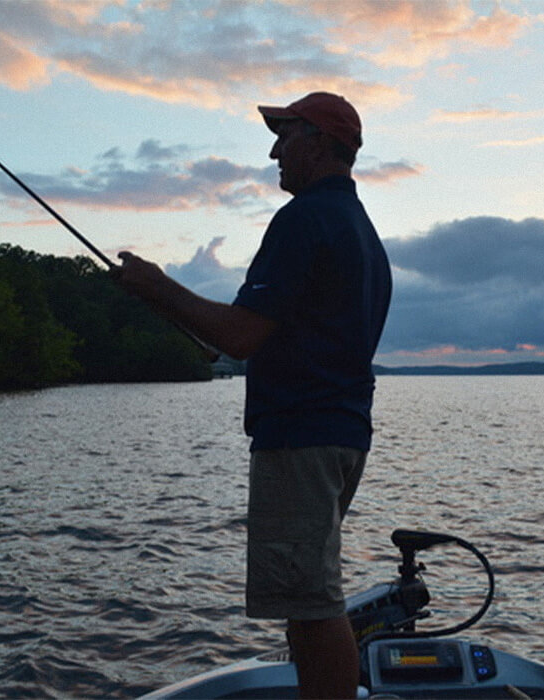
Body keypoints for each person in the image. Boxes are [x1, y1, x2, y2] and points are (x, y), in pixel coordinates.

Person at [116, 91, 391, 699]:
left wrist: (156, 286)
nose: (274, 150)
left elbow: (241, 334)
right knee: (307, 600)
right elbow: (295, 336)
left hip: (301, 438)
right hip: (342, 435)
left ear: (319, 143)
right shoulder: (361, 231)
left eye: (285, 135)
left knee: (313, 606)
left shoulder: (304, 219)